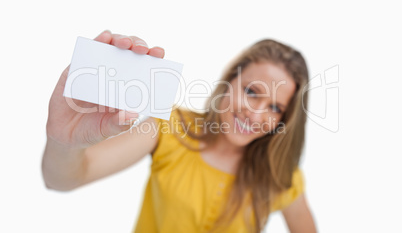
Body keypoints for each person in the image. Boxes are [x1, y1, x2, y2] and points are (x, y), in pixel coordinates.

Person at [42, 30, 317, 233]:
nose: (256, 115)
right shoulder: (170, 126)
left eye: (275, 108)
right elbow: (62, 180)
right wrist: (63, 141)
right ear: (230, 81)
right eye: (251, 91)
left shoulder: (281, 175)